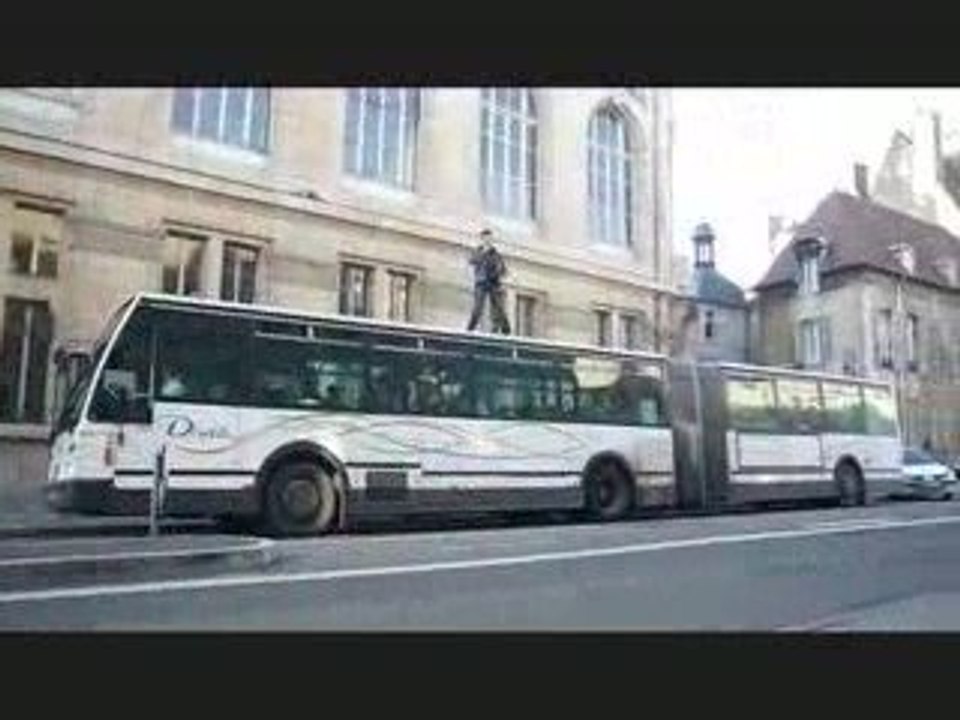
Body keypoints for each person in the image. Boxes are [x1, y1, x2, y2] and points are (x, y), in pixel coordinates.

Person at [467, 228, 511, 334]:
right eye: (486, 238)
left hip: (493, 283)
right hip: (481, 283)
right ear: (482, 239)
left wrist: (500, 276)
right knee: (477, 308)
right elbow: (471, 264)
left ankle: (505, 330)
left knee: (499, 308)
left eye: (490, 238)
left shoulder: (496, 254)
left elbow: (503, 270)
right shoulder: (477, 252)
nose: (488, 240)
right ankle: (470, 329)